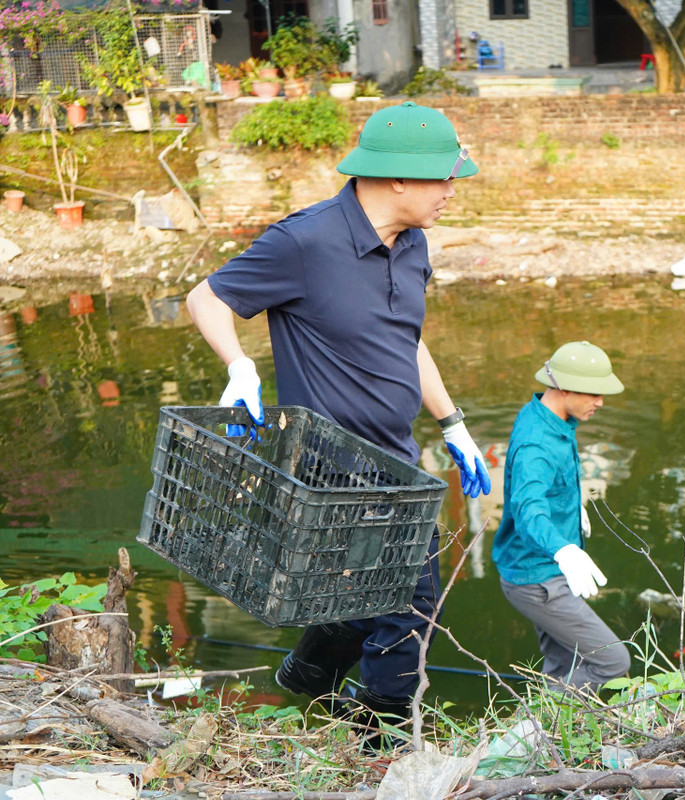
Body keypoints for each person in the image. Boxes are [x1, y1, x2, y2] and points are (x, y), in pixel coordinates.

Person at [185, 101, 492, 734]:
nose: (452, 192)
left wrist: (452, 422)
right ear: (398, 178)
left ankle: (308, 674)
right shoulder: (305, 240)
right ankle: (377, 745)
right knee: (410, 610)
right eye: (444, 178)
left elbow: (405, 339)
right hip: (330, 464)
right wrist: (241, 367)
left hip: (395, 458)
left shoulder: (413, 246)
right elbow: (207, 297)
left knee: (367, 600)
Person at [491, 342, 632, 691]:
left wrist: (570, 504)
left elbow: (541, 488)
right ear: (564, 386)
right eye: (594, 393)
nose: (601, 402)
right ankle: (541, 721)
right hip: (539, 578)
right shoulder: (536, 444)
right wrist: (564, 549)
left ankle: (553, 734)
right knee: (613, 661)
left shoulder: (546, 415)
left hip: (545, 569)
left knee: (566, 662)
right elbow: (527, 510)